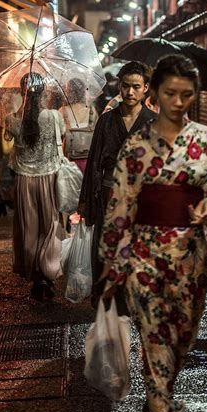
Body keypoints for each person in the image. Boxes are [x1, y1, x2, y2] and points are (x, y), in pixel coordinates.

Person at [99, 55, 207, 412]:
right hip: (144, 253)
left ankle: (162, 390)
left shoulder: (205, 141)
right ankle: (158, 404)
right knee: (153, 330)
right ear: (155, 95)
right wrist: (113, 260)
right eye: (170, 93)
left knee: (182, 333)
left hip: (191, 256)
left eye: (186, 94)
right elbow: (120, 204)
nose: (178, 102)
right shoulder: (136, 147)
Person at [78, 61, 154, 302]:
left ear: (146, 89)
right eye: (125, 86)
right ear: (118, 87)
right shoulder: (107, 121)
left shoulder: (153, 122)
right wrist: (87, 202)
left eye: (135, 87)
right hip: (109, 195)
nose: (129, 92)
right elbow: (93, 165)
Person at [4, 72, 65, 302]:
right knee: (49, 226)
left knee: (28, 228)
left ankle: (36, 277)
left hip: (24, 181)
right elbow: (63, 138)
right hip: (49, 178)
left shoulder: (12, 119)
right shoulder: (54, 117)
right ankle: (48, 272)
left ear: (22, 92)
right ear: (43, 92)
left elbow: (8, 142)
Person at [60, 77, 98, 174]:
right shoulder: (92, 110)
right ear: (83, 92)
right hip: (89, 159)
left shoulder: (62, 111)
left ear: (69, 92)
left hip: (68, 161)